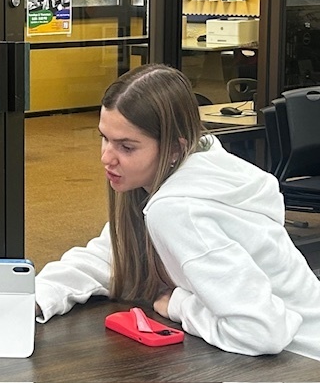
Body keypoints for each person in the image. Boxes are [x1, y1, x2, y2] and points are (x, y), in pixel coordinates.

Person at [35, 63, 320, 362]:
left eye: (127, 147)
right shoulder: (192, 166)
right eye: (104, 138)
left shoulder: (177, 208)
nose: (106, 157)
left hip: (301, 359)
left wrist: (179, 305)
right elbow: (110, 257)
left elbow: (262, 331)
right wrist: (34, 296)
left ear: (174, 148)